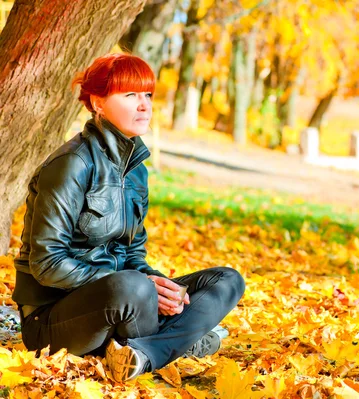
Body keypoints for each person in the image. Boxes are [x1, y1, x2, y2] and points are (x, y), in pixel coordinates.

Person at [11, 53, 245, 383]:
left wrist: (163, 288)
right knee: (135, 286)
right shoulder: (71, 165)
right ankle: (176, 342)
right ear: (98, 103)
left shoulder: (136, 173)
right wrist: (140, 286)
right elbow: (48, 263)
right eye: (130, 95)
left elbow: (134, 255)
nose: (144, 105)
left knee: (226, 280)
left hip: (124, 299)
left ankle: (144, 352)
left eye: (147, 95)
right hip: (54, 318)